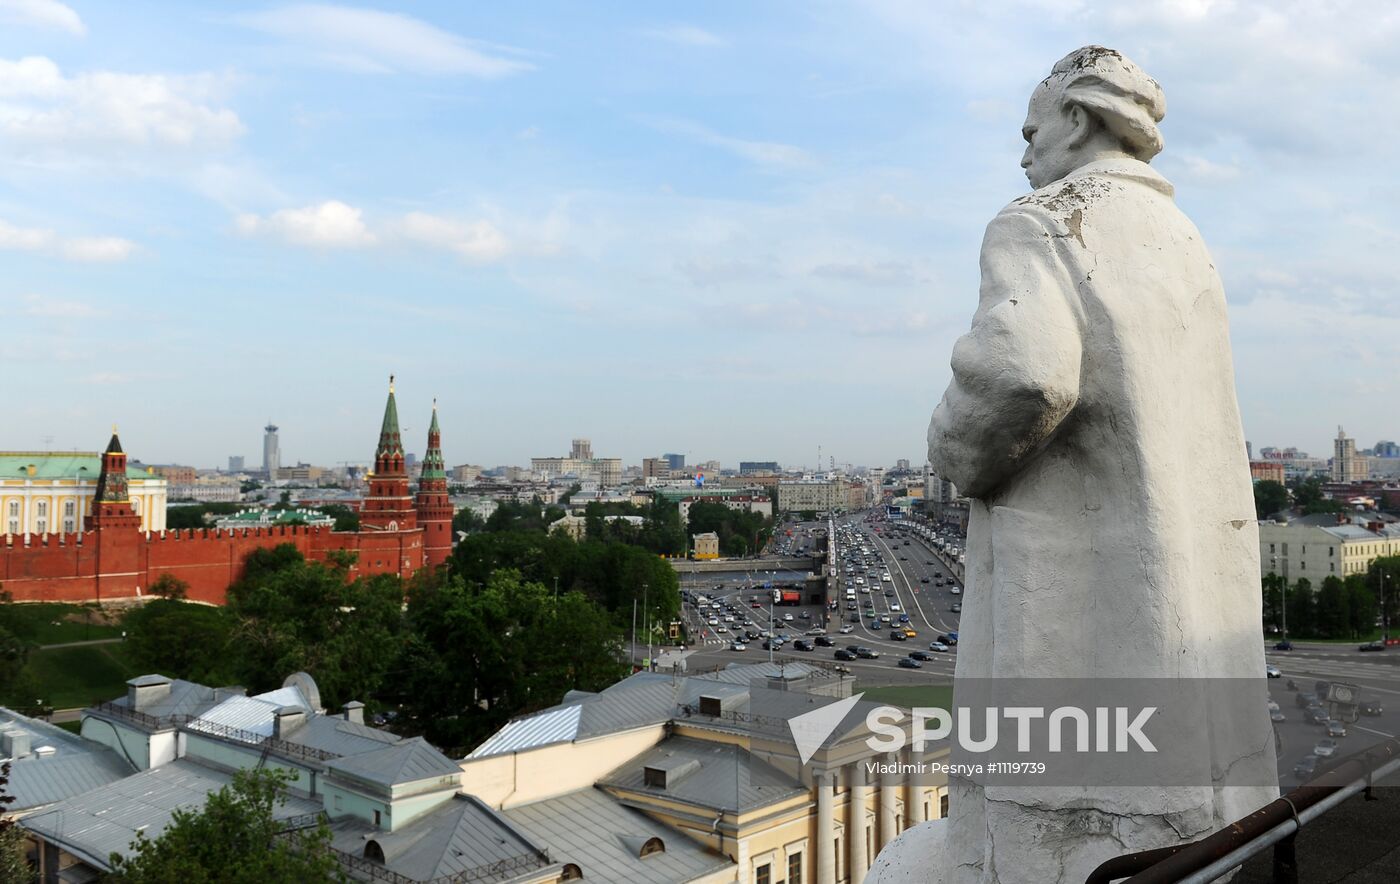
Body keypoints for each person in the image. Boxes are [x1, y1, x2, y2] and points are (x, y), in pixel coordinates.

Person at [868, 46, 1278, 884]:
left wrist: (949, 451)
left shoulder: (1043, 219)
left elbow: (1020, 373)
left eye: (1031, 130)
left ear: (1079, 119)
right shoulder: (1182, 237)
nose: (1022, 153)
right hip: (1197, 683)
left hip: (1076, 630)